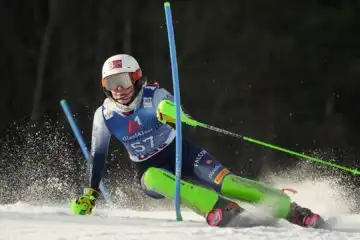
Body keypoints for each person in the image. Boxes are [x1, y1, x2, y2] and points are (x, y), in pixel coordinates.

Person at [70, 54, 324, 228]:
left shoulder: (153, 95)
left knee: (228, 183)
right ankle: (219, 208)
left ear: (136, 79)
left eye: (124, 80)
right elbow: (98, 156)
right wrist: (90, 193)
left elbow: (177, 110)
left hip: (184, 154)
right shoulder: (104, 116)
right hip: (148, 168)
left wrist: (171, 113)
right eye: (112, 83)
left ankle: (292, 210)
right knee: (153, 179)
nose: (119, 89)